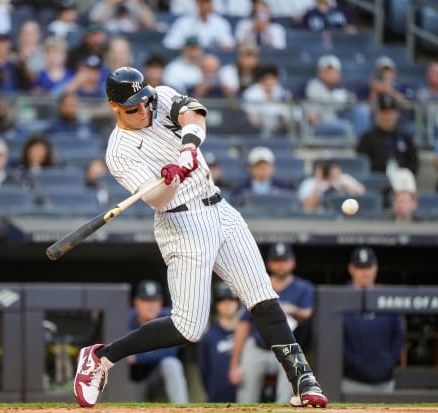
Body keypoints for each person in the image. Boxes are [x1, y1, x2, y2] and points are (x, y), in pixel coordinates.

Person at [72, 66, 328, 408]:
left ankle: (303, 382)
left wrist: (188, 151)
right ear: (115, 108)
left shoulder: (159, 97)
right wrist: (170, 180)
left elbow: (194, 116)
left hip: (219, 210)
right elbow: (158, 200)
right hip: (180, 224)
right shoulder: (119, 152)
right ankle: (101, 357)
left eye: (144, 101)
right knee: (188, 328)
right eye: (134, 108)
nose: (144, 110)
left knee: (263, 297)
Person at [229, 242, 316, 404]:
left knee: (287, 398)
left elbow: (308, 314)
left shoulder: (303, 288)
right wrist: (235, 365)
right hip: (258, 347)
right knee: (246, 399)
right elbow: (243, 326)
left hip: (288, 349)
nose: (281, 264)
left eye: (284, 260)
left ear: (292, 262)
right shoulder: (257, 286)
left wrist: (292, 310)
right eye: (276, 260)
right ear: (269, 263)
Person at [342, 247, 406, 393]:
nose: (365, 272)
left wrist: (387, 363)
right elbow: (336, 341)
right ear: (351, 269)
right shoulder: (341, 299)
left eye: (368, 267)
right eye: (360, 267)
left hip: (385, 382)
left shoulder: (388, 298)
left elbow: (399, 336)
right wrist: (356, 365)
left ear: (376, 268)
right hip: (351, 381)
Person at [127, 279, 189, 403]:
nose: (150, 305)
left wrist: (137, 357)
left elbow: (170, 352)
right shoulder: (126, 318)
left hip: (158, 378)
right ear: (136, 302)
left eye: (154, 301)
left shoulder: (170, 318)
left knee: (172, 363)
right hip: (132, 381)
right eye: (145, 300)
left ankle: (182, 408)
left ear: (160, 302)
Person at [196, 283, 242, 402]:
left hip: (246, 395)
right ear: (216, 305)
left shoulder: (249, 334)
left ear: (238, 303)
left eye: (231, 300)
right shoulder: (208, 336)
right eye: (222, 300)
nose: (227, 304)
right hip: (218, 398)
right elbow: (203, 371)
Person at [356, 94, 419, 176]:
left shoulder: (405, 138)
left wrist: (404, 174)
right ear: (377, 114)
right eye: (384, 113)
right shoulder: (367, 138)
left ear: (397, 114)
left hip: (401, 182)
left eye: (390, 113)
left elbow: (414, 163)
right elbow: (362, 164)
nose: (387, 117)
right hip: (376, 181)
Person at [231, 146, 295, 207]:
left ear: (273, 168)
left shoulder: (284, 188)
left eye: (266, 166)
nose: (263, 170)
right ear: (250, 168)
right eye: (258, 166)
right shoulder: (239, 189)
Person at [297, 159, 365, 213]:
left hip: (345, 215)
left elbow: (362, 193)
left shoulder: (344, 178)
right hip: (320, 218)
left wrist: (340, 180)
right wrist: (319, 181)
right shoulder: (309, 183)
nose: (327, 170)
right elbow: (308, 207)